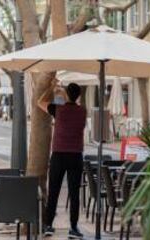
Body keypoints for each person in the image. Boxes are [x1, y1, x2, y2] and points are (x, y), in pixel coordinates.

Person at [38, 81, 86, 239]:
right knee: (74, 193)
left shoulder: (58, 110)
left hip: (58, 155)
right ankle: (73, 227)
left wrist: (52, 87)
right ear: (78, 95)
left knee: (54, 191)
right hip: (75, 156)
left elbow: (40, 102)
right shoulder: (82, 111)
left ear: (66, 94)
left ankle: (49, 226)